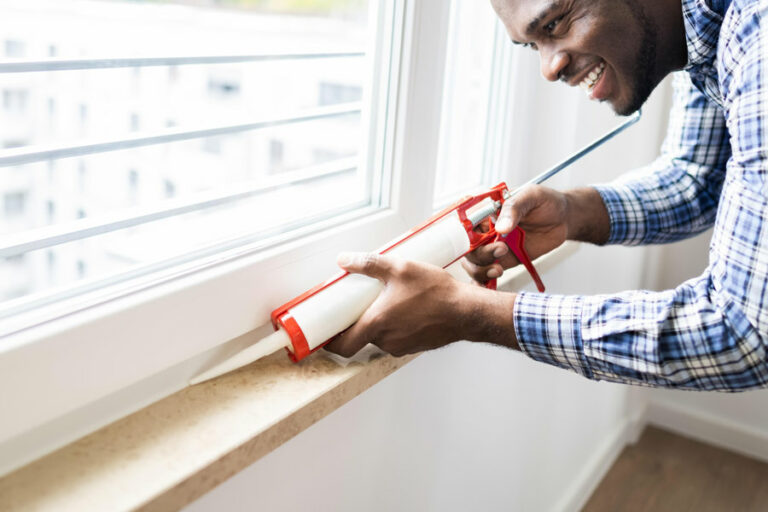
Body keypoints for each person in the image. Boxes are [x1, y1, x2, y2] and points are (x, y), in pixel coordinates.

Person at [325, 0, 767, 391]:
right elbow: (698, 178)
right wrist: (573, 213)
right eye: (531, 45)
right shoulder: (706, 31)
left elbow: (742, 330)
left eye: (555, 23)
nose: (549, 68)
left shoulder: (758, 32)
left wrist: (473, 314)